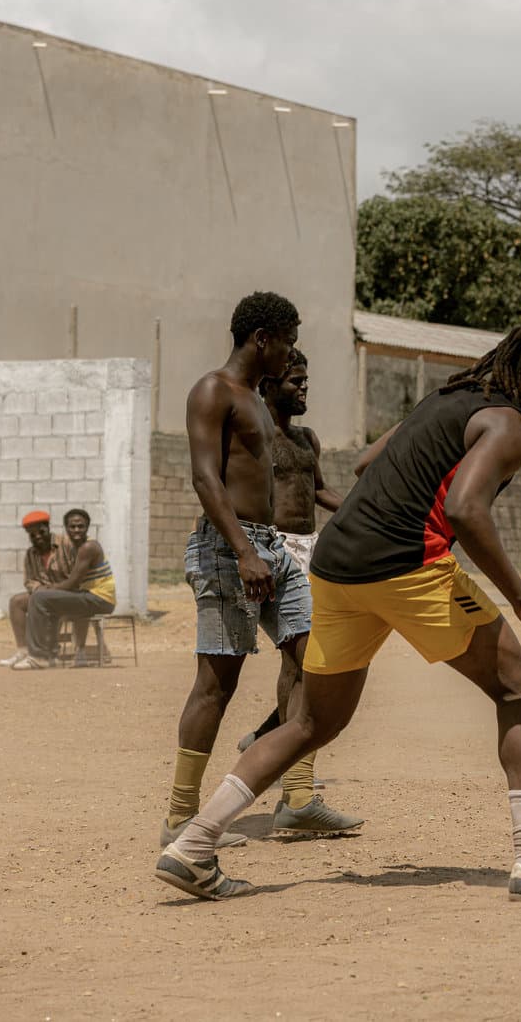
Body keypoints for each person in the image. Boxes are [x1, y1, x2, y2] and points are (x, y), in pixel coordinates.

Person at [156, 317, 521, 901]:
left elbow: (368, 462)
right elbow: (466, 509)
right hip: (407, 565)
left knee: (312, 722)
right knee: (519, 689)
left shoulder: (443, 401)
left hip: (336, 564)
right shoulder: (507, 425)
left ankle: (192, 846)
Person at [159, 292, 362, 853]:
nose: (292, 354)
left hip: (273, 547)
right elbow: (206, 479)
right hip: (230, 550)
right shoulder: (213, 390)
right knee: (216, 686)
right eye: (288, 342)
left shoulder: (255, 399)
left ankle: (297, 799)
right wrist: (244, 551)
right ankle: (180, 816)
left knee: (311, 660)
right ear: (262, 339)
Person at [235, 348, 347, 752]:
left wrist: (361, 510)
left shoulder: (306, 438)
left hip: (311, 550)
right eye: (296, 381)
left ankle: (268, 739)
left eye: (306, 381)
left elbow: (319, 490)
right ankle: (282, 754)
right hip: (275, 549)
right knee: (299, 655)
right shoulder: (257, 436)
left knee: (313, 657)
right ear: (269, 385)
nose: (304, 389)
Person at [12, 509, 116, 669]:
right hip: (79, 593)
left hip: (97, 597)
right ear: (66, 528)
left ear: (88, 527)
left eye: (80, 526)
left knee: (40, 598)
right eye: (72, 527)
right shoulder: (35, 552)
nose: (76, 530)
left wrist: (47, 590)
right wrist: (44, 589)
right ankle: (43, 654)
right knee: (27, 600)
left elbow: (72, 582)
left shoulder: (85, 546)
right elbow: (30, 580)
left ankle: (39, 656)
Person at [0, 511, 75, 668]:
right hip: (43, 594)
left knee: (45, 602)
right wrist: (41, 589)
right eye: (32, 535)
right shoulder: (31, 553)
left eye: (41, 532)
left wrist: (55, 590)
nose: (38, 537)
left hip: (68, 593)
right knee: (17, 602)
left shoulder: (66, 545)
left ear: (48, 527)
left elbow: (77, 574)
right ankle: (24, 651)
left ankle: (47, 654)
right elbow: (29, 581)